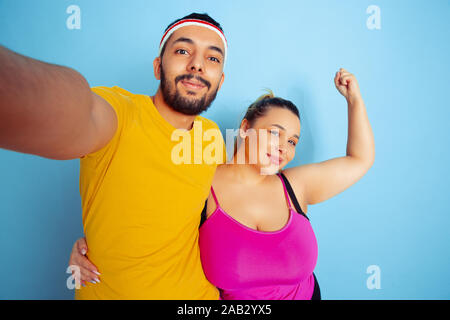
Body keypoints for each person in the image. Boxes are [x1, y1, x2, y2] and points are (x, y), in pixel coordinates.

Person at [71, 69, 375, 299]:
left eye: (293, 141)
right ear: (244, 129)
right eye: (274, 133)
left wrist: (355, 99)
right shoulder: (201, 179)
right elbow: (142, 212)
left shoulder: (296, 186)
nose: (284, 147)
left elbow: (359, 159)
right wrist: (91, 248)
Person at [0, 13, 229, 299]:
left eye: (213, 58)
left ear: (220, 80)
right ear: (158, 67)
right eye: (183, 50)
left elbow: (222, 217)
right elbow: (78, 111)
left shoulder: (212, 137)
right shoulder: (119, 112)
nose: (197, 64)